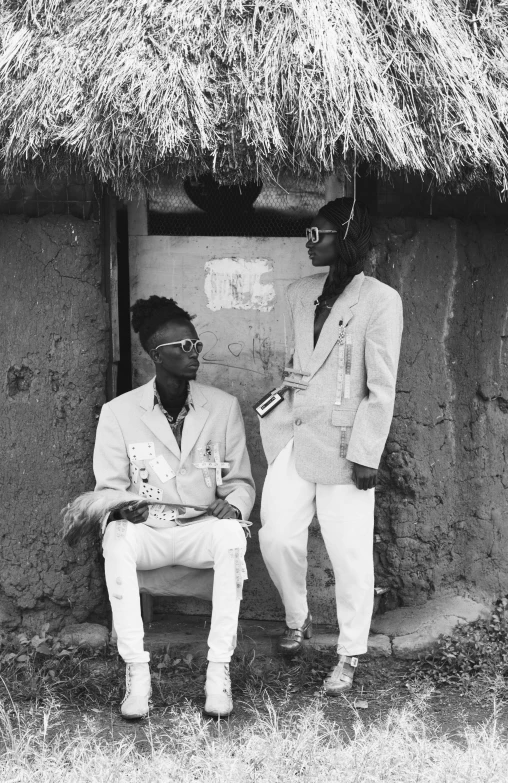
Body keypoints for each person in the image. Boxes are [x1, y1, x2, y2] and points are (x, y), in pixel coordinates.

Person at [259, 197, 403, 695]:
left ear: (345, 237)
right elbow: (292, 361)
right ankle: (298, 618)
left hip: (346, 448)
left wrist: (367, 453)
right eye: (308, 232)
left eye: (317, 234)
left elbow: (381, 387)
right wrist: (278, 406)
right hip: (293, 435)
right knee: (276, 535)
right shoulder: (299, 293)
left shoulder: (380, 301)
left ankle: (349, 653)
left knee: (349, 553)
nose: (309, 242)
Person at [94, 296, 255, 719]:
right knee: (115, 539)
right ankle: (137, 675)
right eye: (183, 347)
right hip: (148, 530)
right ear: (156, 355)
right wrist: (123, 508)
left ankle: (218, 673)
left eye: (197, 345)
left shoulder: (222, 407)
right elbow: (107, 489)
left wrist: (234, 508)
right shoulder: (119, 413)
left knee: (232, 539)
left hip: (200, 527)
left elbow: (240, 482)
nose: (194, 354)